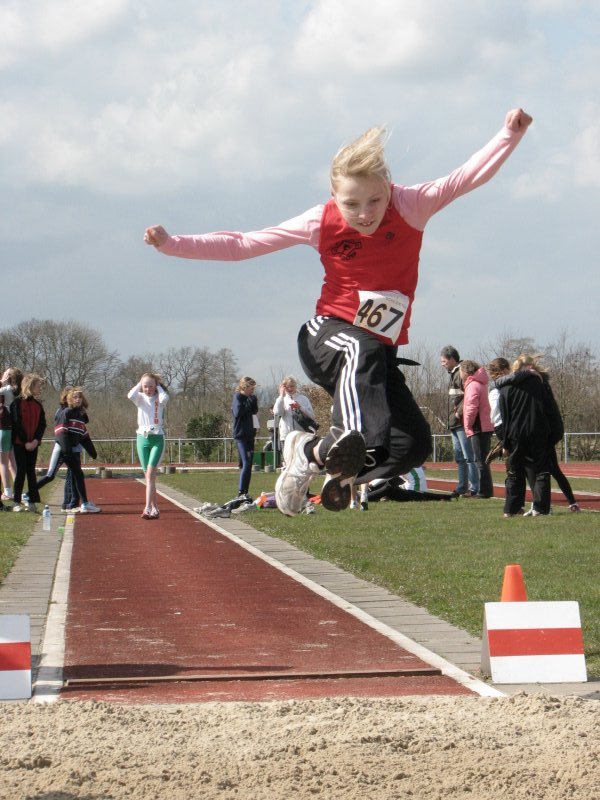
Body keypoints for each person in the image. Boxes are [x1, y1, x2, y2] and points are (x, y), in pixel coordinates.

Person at [145, 107, 533, 516]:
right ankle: (345, 436)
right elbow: (245, 243)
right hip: (326, 336)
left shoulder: (412, 205)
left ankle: (313, 456)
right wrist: (174, 244)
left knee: (410, 444)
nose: (365, 214)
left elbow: (466, 177)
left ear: (389, 186)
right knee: (359, 348)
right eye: (352, 204)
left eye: (374, 201)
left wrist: (509, 135)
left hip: (374, 358)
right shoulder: (321, 221)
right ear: (334, 197)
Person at [497, 355, 579, 514]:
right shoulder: (540, 384)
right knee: (541, 470)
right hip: (538, 432)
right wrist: (554, 435)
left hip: (515, 434)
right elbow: (551, 410)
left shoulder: (506, 388)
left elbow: (504, 417)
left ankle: (511, 508)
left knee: (515, 470)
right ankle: (540, 508)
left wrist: (505, 442)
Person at [36, 387, 101, 513]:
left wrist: (92, 452)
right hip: (63, 449)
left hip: (71, 450)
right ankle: (28, 494)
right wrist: (67, 450)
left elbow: (83, 434)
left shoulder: (80, 415)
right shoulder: (65, 412)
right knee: (50, 476)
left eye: (79, 397)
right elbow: (61, 433)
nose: (78, 399)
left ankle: (80, 503)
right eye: (75, 397)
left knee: (78, 475)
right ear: (69, 399)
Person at [128, 373, 169, 519]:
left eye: (151, 386)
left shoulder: (160, 397)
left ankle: (146, 508)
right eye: (145, 386)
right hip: (142, 438)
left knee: (151, 475)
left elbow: (164, 398)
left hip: (157, 437)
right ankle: (155, 508)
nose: (148, 389)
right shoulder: (139, 398)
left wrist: (157, 385)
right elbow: (130, 395)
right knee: (148, 477)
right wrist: (141, 383)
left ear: (156, 386)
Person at [440, 346, 479, 497]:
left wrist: (458, 413)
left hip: (461, 422)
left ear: (451, 359)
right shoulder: (453, 374)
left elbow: (469, 396)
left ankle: (474, 488)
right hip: (454, 423)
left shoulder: (460, 374)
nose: (442, 364)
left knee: (469, 457)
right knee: (460, 458)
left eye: (443, 361)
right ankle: (462, 486)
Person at [10, 373, 46, 513]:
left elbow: (42, 424)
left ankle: (31, 501)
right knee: (21, 471)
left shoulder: (38, 405)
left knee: (31, 472)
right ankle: (16, 501)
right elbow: (17, 423)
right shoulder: (17, 403)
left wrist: (36, 440)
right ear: (30, 386)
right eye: (38, 386)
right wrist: (25, 442)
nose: (40, 389)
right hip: (20, 443)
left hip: (33, 444)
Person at [460, 360, 495, 499]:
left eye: (461, 371)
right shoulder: (480, 384)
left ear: (466, 371)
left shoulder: (473, 385)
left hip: (478, 427)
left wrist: (467, 425)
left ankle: (484, 492)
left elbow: (471, 408)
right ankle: (485, 490)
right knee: (482, 460)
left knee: (480, 460)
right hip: (484, 425)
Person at [272, 377, 317, 454]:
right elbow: (277, 412)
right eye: (287, 387)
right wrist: (281, 396)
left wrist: (300, 407)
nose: (290, 388)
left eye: (292, 386)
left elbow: (312, 416)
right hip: (286, 435)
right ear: (284, 388)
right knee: (288, 460)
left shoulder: (303, 398)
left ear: (295, 386)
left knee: (302, 458)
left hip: (301, 434)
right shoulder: (281, 399)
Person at [231, 376, 259, 500]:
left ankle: (246, 492)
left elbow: (254, 411)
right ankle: (241, 492)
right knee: (246, 463)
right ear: (245, 387)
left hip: (250, 435)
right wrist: (248, 402)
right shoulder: (238, 397)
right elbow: (238, 413)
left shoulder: (250, 398)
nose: (253, 391)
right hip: (240, 435)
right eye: (251, 388)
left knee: (248, 464)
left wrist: (253, 402)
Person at [0, 367, 22, 503]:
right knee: (12, 461)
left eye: (6, 372)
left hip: (3, 427)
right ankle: (18, 490)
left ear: (9, 376)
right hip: (12, 427)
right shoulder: (17, 391)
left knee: (2, 462)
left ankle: (7, 492)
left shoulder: (5, 389)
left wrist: (1, 381)